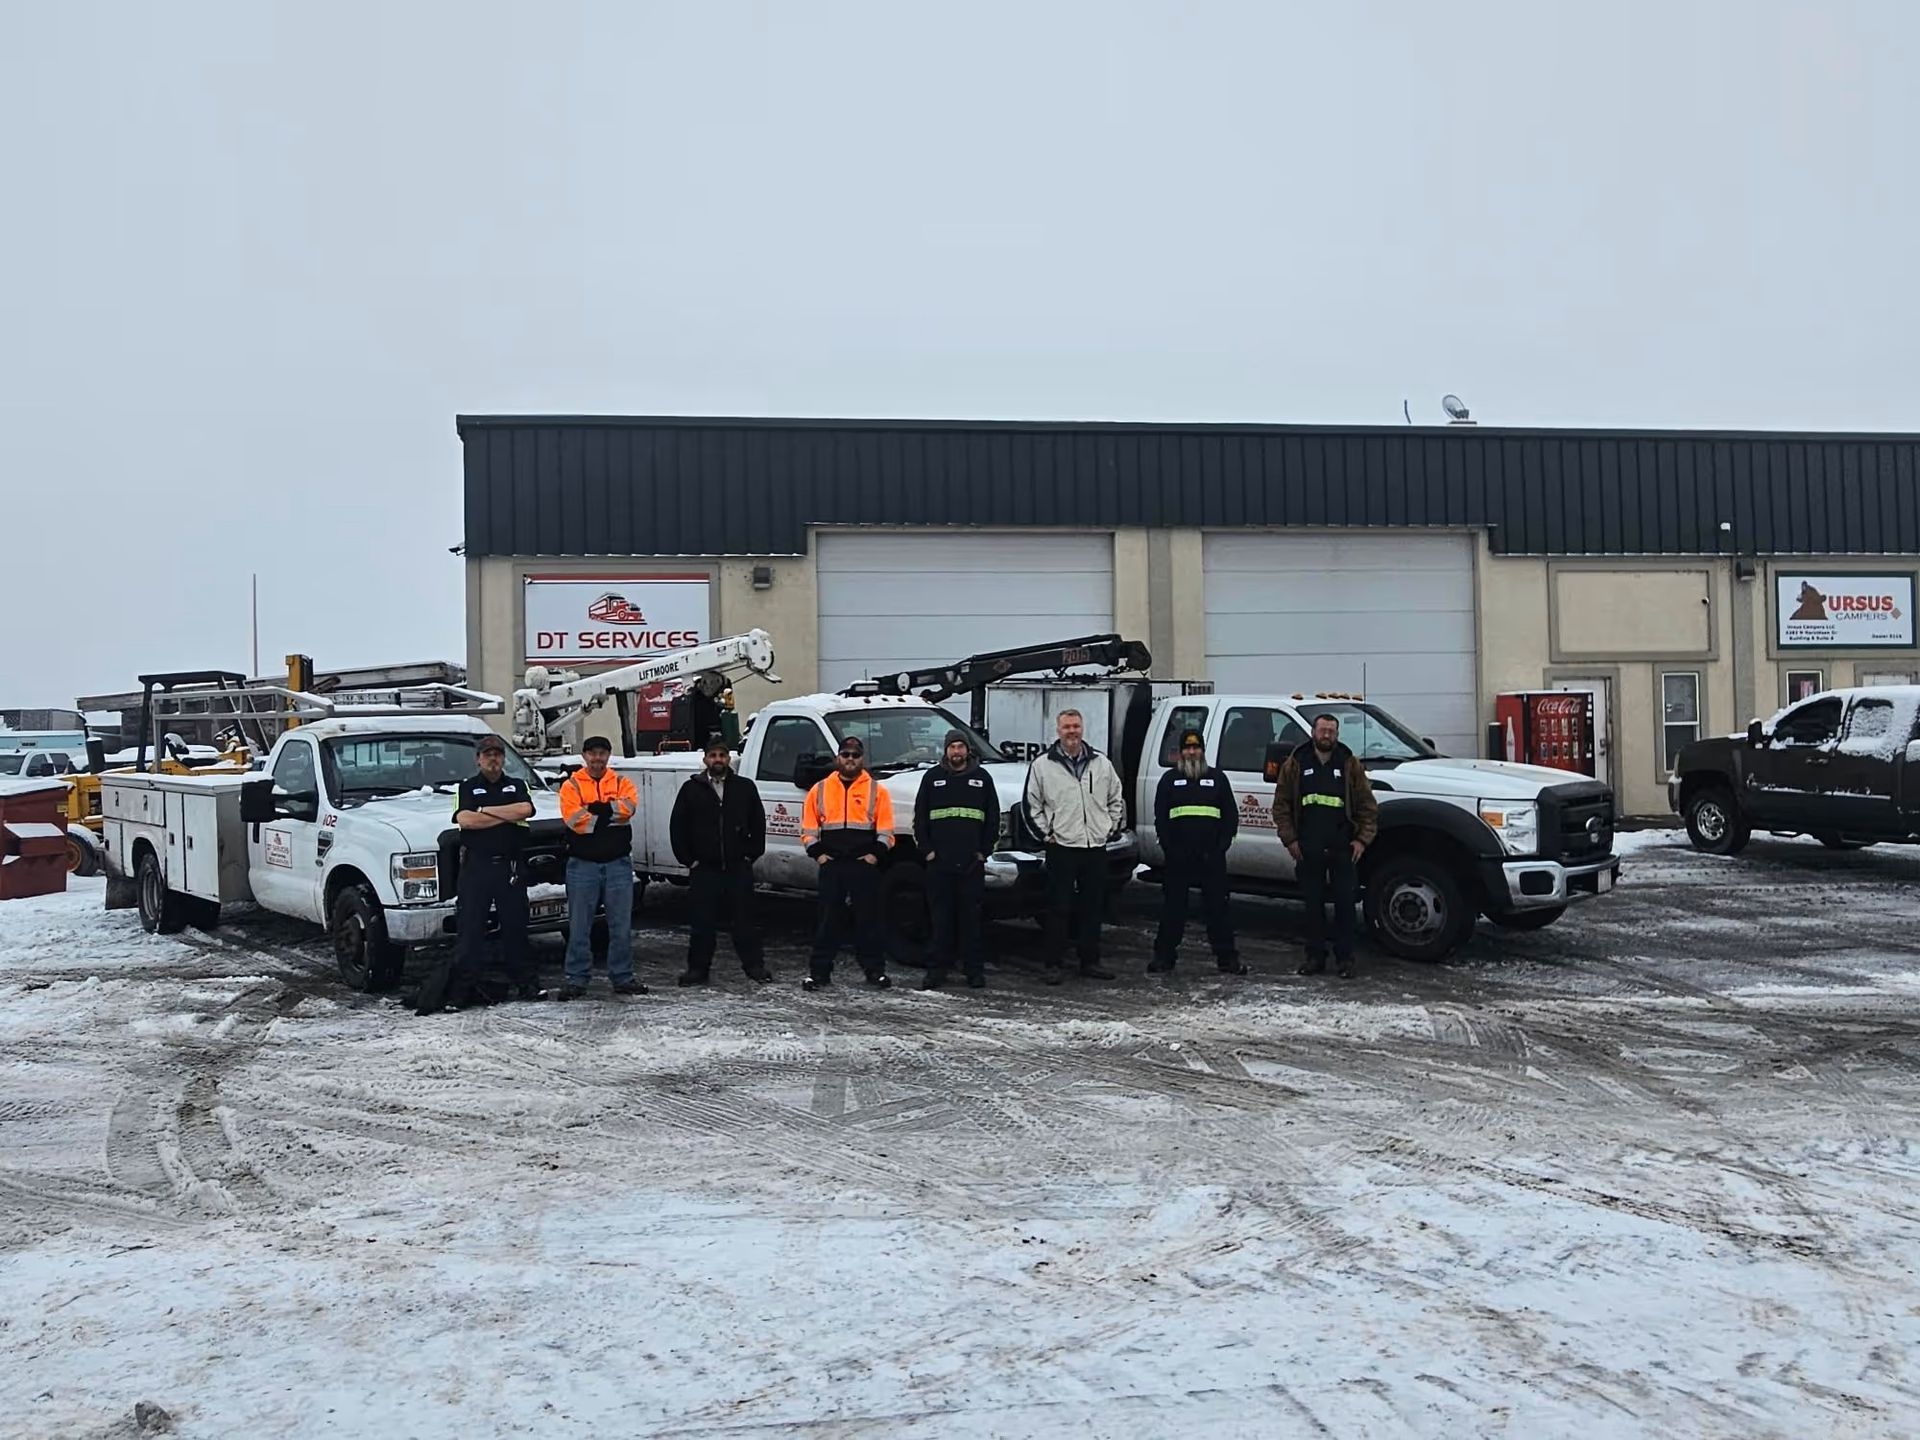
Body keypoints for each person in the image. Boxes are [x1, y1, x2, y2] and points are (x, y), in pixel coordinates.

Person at [416, 732, 537, 1014]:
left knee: (516, 929)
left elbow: (526, 809)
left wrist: (485, 810)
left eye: (497, 754)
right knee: (470, 933)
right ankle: (460, 992)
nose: (493, 759)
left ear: (503, 759)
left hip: (510, 867)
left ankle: (528, 984)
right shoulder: (466, 787)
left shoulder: (518, 784)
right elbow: (466, 820)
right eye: (487, 755)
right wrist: (503, 814)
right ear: (478, 759)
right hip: (476, 869)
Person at [1023, 709, 1126, 986]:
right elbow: (1031, 806)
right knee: (1058, 908)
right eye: (1067, 726)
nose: (1072, 731)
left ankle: (1089, 961)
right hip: (1063, 847)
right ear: (1058, 731)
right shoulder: (1042, 765)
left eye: (1076, 726)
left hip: (1094, 846)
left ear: (1083, 728)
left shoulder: (1101, 763)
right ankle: (1053, 964)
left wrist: (1110, 828)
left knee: (1093, 907)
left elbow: (1116, 798)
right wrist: (1047, 834)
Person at [1273, 712, 1379, 979]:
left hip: (1343, 849)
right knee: (1312, 907)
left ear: (1337, 734)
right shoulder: (1296, 762)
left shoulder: (1349, 763)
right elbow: (1281, 804)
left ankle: (1345, 960)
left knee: (1345, 907)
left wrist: (1361, 840)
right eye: (1322, 730)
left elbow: (1367, 806)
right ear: (1313, 732)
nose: (1327, 735)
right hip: (1308, 849)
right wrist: (1291, 840)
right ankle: (1314, 957)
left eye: (1332, 731)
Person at [669, 734, 771, 986]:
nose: (718, 760)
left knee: (745, 922)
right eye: (713, 755)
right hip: (705, 869)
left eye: (722, 755)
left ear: (729, 759)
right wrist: (688, 860)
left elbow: (758, 823)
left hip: (738, 868)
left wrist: (750, 854)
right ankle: (697, 970)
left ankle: (754, 966)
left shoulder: (745, 788)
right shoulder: (691, 788)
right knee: (702, 924)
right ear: (705, 759)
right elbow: (678, 827)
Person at [800, 734, 894, 991]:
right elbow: (808, 830)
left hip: (864, 866)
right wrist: (819, 855)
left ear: (862, 759)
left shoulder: (877, 790)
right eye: (846, 755)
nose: (850, 759)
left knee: (869, 921)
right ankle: (819, 974)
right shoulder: (818, 790)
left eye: (855, 755)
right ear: (837, 758)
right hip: (832, 866)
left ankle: (875, 971)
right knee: (827, 921)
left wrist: (875, 855)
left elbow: (886, 832)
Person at [1151, 727, 1246, 975]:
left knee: (1218, 909)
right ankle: (1163, 957)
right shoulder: (1169, 781)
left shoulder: (1217, 779)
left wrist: (1220, 847)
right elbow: (1161, 818)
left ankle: (1227, 959)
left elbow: (1230, 817)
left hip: (1211, 857)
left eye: (1196, 748)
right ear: (1180, 752)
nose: (1192, 752)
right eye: (1187, 748)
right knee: (1173, 908)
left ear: (1203, 751)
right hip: (1178, 858)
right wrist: (1171, 849)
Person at [555, 736, 643, 999]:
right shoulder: (570, 786)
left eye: (602, 753)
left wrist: (593, 811)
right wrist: (608, 814)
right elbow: (575, 821)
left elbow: (628, 809)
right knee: (579, 925)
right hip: (583, 867)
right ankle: (576, 979)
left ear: (608, 755)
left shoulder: (621, 782)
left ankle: (623, 977)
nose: (597, 758)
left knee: (620, 925)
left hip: (618, 865)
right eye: (592, 753)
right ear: (584, 756)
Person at [912, 729, 1000, 990]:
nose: (957, 752)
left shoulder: (982, 779)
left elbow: (993, 820)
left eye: (961, 747)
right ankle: (936, 971)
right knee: (940, 921)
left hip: (971, 864)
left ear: (967, 750)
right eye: (952, 747)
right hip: (939, 865)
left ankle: (973, 971)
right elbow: (920, 819)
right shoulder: (932, 778)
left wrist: (984, 852)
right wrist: (927, 851)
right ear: (946, 750)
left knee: (971, 922)